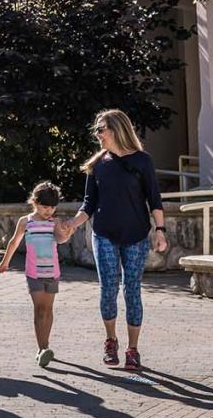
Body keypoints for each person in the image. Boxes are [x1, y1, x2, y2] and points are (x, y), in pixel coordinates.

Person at [56, 109, 168, 372]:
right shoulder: (97, 166)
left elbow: (155, 199)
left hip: (137, 236)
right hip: (104, 234)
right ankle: (110, 341)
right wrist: (72, 224)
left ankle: (132, 349)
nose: (97, 133)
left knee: (132, 290)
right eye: (96, 128)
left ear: (117, 129)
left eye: (101, 128)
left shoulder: (142, 161)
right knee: (108, 289)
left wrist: (160, 230)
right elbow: (88, 205)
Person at [0, 181, 73, 367]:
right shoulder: (26, 221)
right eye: (44, 206)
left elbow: (61, 239)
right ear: (35, 202)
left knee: (48, 310)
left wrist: (68, 233)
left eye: (52, 207)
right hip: (34, 273)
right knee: (39, 309)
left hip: (53, 272)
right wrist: (5, 262)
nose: (48, 211)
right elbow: (14, 242)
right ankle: (42, 348)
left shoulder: (54, 222)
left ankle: (46, 345)